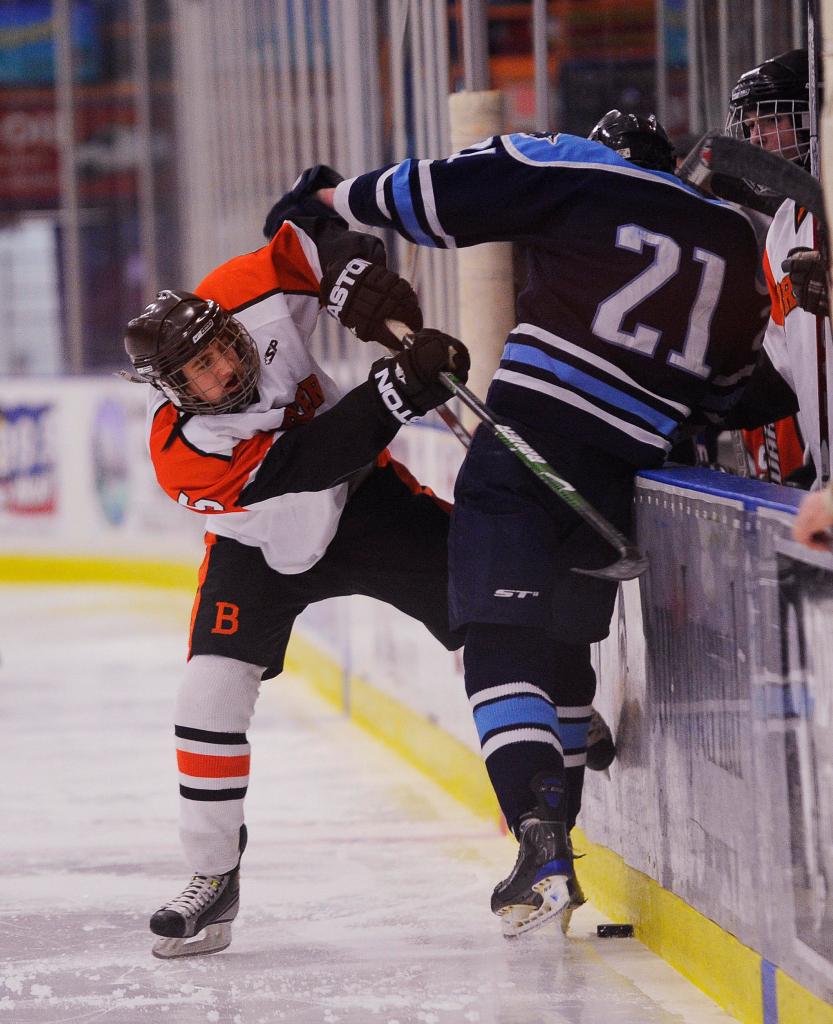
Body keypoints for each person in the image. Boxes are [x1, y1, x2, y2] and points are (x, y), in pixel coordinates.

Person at [313, 110, 769, 936]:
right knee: (563, 661)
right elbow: (735, 389)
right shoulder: (737, 243)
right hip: (618, 481)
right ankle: (557, 846)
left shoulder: (584, 171)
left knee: (496, 642)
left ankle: (537, 844)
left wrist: (334, 198)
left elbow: (443, 193)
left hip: (527, 455)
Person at [122, 167, 471, 958]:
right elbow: (310, 457)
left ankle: (547, 736)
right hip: (261, 545)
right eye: (200, 372)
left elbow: (305, 215)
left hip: (366, 504)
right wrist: (394, 391)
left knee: (485, 607)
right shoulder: (186, 455)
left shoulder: (244, 289)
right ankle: (213, 877)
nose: (223, 369)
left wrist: (351, 269)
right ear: (171, 392)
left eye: (219, 347)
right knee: (208, 691)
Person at [722, 49, 831, 487]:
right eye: (749, 126)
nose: (755, 139)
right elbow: (781, 372)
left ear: (813, 117)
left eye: (769, 120)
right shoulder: (783, 225)